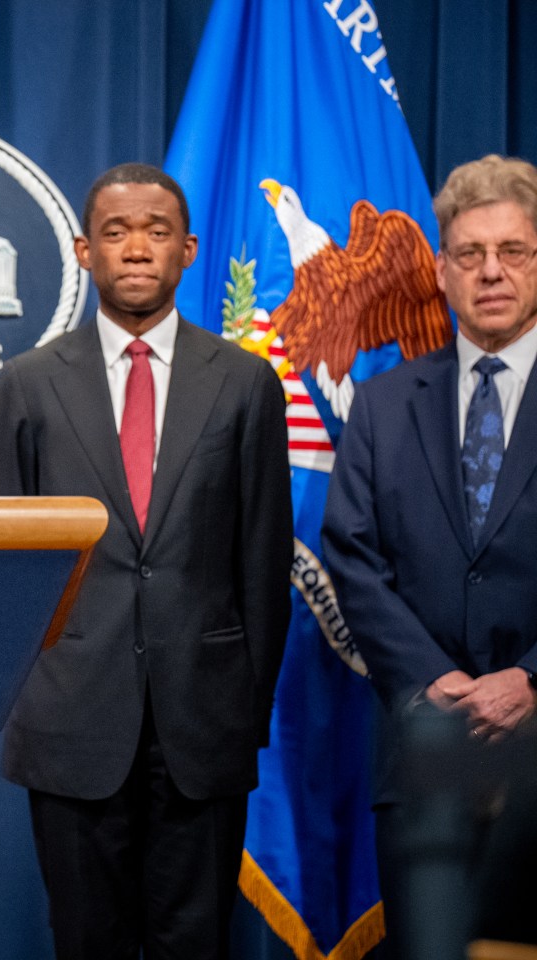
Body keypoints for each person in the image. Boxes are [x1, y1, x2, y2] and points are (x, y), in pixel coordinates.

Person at [0, 163, 292, 959]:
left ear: (188, 249)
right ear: (85, 252)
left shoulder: (248, 385)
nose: (137, 248)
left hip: (204, 723)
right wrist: (29, 702)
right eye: (116, 232)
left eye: (156, 231)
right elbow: (0, 567)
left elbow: (261, 567)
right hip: (71, 721)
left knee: (195, 940)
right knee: (88, 941)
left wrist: (241, 713)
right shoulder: (29, 384)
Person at [322, 154, 537, 950]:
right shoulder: (381, 407)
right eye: (470, 255)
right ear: (441, 271)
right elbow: (351, 556)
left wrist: (531, 678)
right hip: (425, 753)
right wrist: (432, 679)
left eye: (513, 252)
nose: (491, 272)